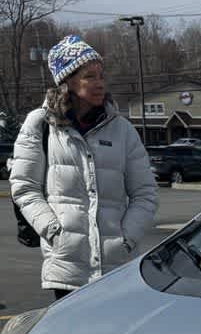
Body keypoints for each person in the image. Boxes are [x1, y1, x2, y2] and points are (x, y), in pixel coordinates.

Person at [10, 34, 156, 300]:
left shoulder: (122, 129)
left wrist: (126, 239)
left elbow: (145, 193)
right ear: (67, 81)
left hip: (117, 268)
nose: (100, 83)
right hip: (67, 268)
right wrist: (55, 232)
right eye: (90, 76)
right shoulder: (40, 125)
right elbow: (24, 188)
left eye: (101, 75)